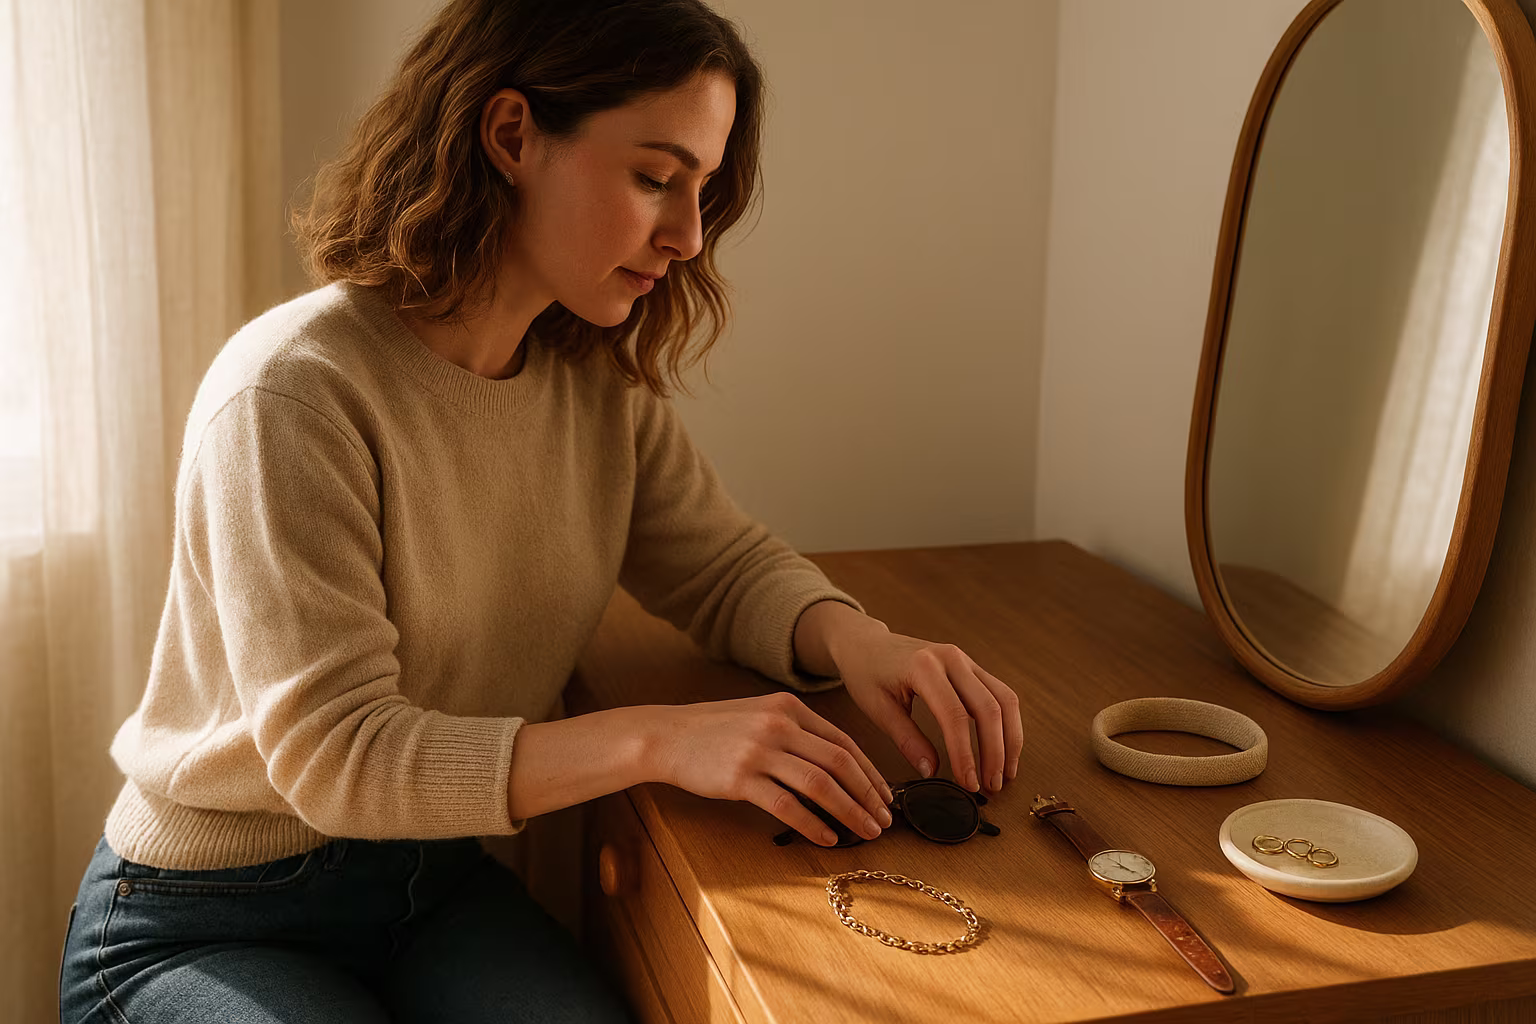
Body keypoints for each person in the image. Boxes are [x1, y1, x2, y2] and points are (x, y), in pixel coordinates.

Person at [59, 0, 1025, 1020]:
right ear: (512, 134)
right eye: (657, 177)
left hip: (427, 887)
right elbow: (339, 755)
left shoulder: (588, 384)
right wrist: (658, 740)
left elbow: (721, 564)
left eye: (703, 189)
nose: (690, 235)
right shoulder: (294, 393)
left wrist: (861, 641)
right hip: (205, 918)